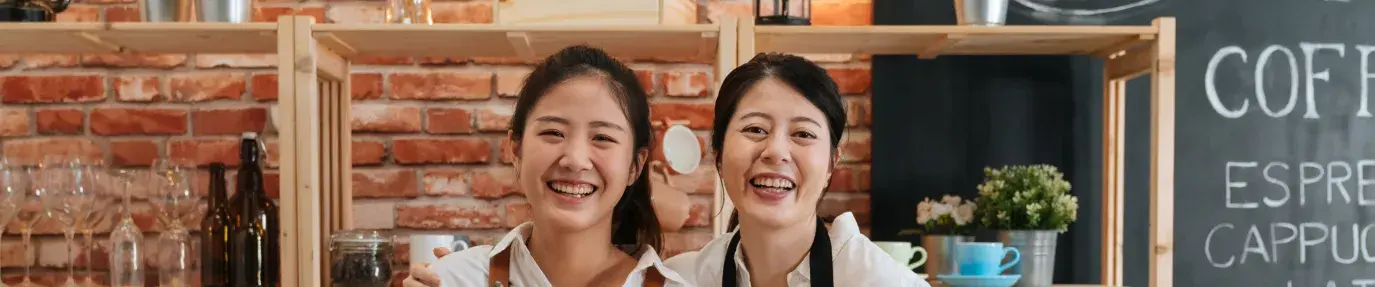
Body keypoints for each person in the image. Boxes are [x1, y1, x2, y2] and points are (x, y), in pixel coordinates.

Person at [402, 45, 688, 287]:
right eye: (553, 133)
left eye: (602, 137)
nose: (575, 160)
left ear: (634, 168)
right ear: (516, 150)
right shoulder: (456, 279)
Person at [662, 53, 929, 287]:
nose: (776, 151)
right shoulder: (683, 280)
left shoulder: (880, 281)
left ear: (831, 163)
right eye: (755, 129)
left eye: (803, 133)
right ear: (718, 154)